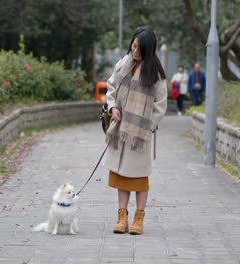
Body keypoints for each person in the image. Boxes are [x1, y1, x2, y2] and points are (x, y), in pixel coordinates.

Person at [104, 26, 167, 235]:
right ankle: (122, 217)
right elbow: (111, 87)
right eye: (133, 45)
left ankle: (139, 218)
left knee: (139, 178)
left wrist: (147, 126)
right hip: (120, 129)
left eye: (139, 48)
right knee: (122, 174)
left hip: (140, 135)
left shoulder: (156, 73)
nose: (135, 50)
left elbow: (160, 105)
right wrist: (113, 107)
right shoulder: (123, 63)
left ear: (148, 49)